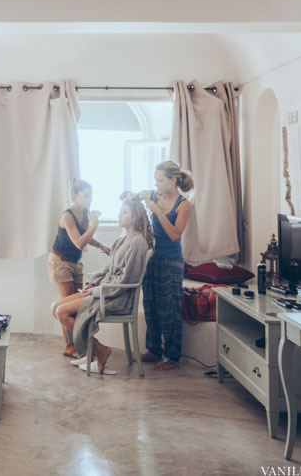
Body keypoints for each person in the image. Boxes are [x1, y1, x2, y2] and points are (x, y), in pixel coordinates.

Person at [50, 198, 153, 374]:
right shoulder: (122, 240)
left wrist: (97, 291)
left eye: (125, 212)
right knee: (55, 307)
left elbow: (126, 280)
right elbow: (107, 270)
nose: (119, 214)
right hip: (104, 290)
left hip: (115, 297)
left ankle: (100, 350)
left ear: (135, 217)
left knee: (62, 312)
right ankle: (92, 351)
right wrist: (92, 285)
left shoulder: (137, 243)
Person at [129, 160, 194, 372]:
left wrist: (157, 211)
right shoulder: (155, 195)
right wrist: (131, 196)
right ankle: (154, 349)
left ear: (173, 180)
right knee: (151, 307)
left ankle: (172, 356)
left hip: (171, 261)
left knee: (170, 309)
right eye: (155, 180)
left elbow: (175, 235)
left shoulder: (183, 204)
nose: (156, 184)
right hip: (151, 259)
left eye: (160, 180)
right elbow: (138, 195)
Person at [48, 177, 110, 359]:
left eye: (91, 196)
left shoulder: (85, 213)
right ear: (74, 196)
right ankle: (69, 346)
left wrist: (101, 246)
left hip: (75, 263)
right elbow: (79, 243)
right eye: (85, 196)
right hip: (60, 262)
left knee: (77, 307)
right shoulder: (67, 216)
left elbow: (85, 236)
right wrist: (95, 225)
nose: (89, 199)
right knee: (67, 305)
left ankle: (81, 345)